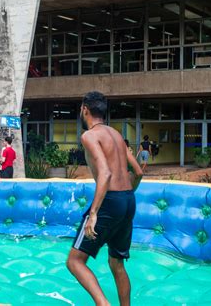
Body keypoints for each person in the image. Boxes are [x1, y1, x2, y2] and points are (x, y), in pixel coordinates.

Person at [66, 91, 143, 306]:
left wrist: (93, 213)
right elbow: (138, 172)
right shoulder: (116, 135)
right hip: (128, 199)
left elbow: (105, 174)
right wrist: (125, 198)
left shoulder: (89, 136)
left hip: (110, 201)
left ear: (84, 109)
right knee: (117, 263)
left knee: (75, 262)